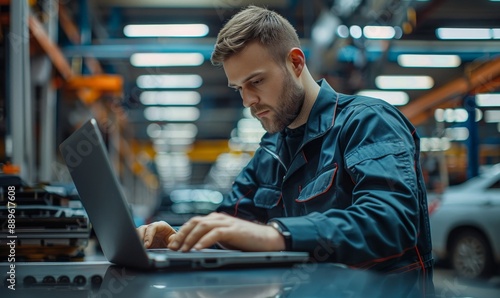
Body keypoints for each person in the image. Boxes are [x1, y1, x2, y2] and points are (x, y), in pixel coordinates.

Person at [137, 5, 434, 293]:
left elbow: (391, 222)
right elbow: (228, 226)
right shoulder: (270, 152)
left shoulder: (368, 121)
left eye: (256, 81)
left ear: (295, 63)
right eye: (238, 88)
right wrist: (180, 242)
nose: (247, 100)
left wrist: (278, 235)